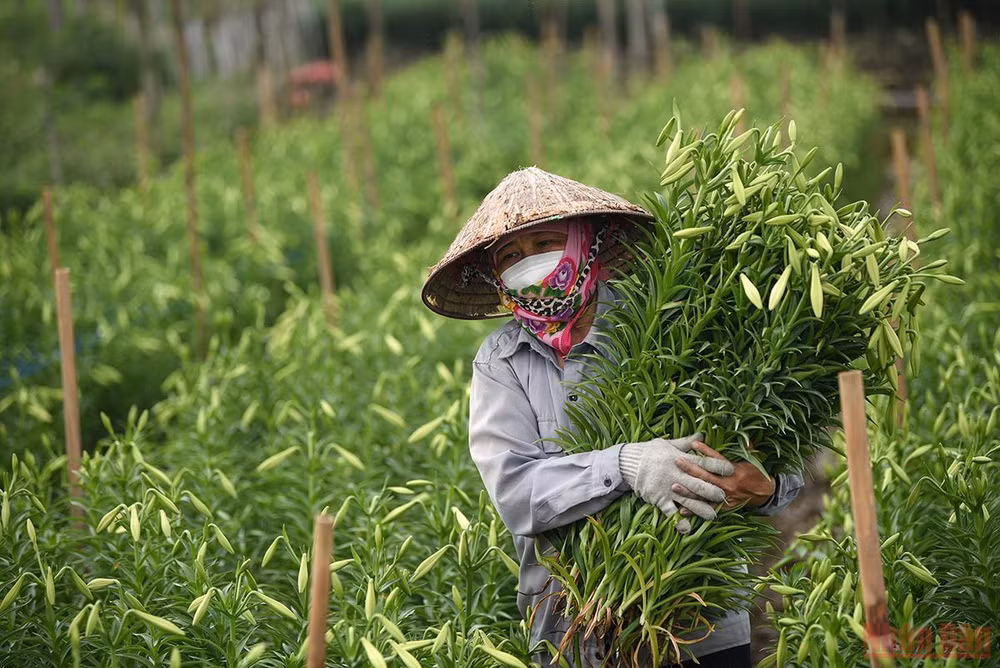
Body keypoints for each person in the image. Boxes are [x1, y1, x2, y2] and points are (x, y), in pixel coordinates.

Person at [421, 168, 804, 667]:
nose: (528, 263)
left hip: (699, 621)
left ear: (586, 243)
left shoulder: (668, 319)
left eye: (545, 242)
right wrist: (626, 465)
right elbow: (517, 495)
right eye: (511, 256)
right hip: (573, 630)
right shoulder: (501, 362)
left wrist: (766, 487)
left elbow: (774, 444)